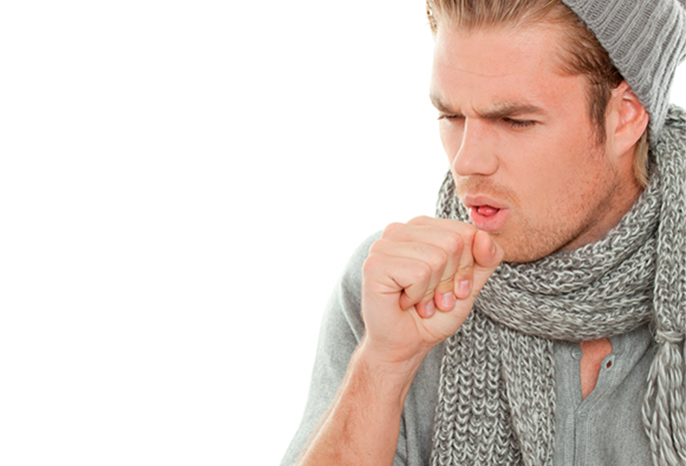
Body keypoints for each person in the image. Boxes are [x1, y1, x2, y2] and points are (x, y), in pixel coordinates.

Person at [281, 0, 686, 464]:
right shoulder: (394, 289)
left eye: (515, 121)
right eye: (451, 117)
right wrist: (384, 365)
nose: (467, 161)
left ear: (626, 116)